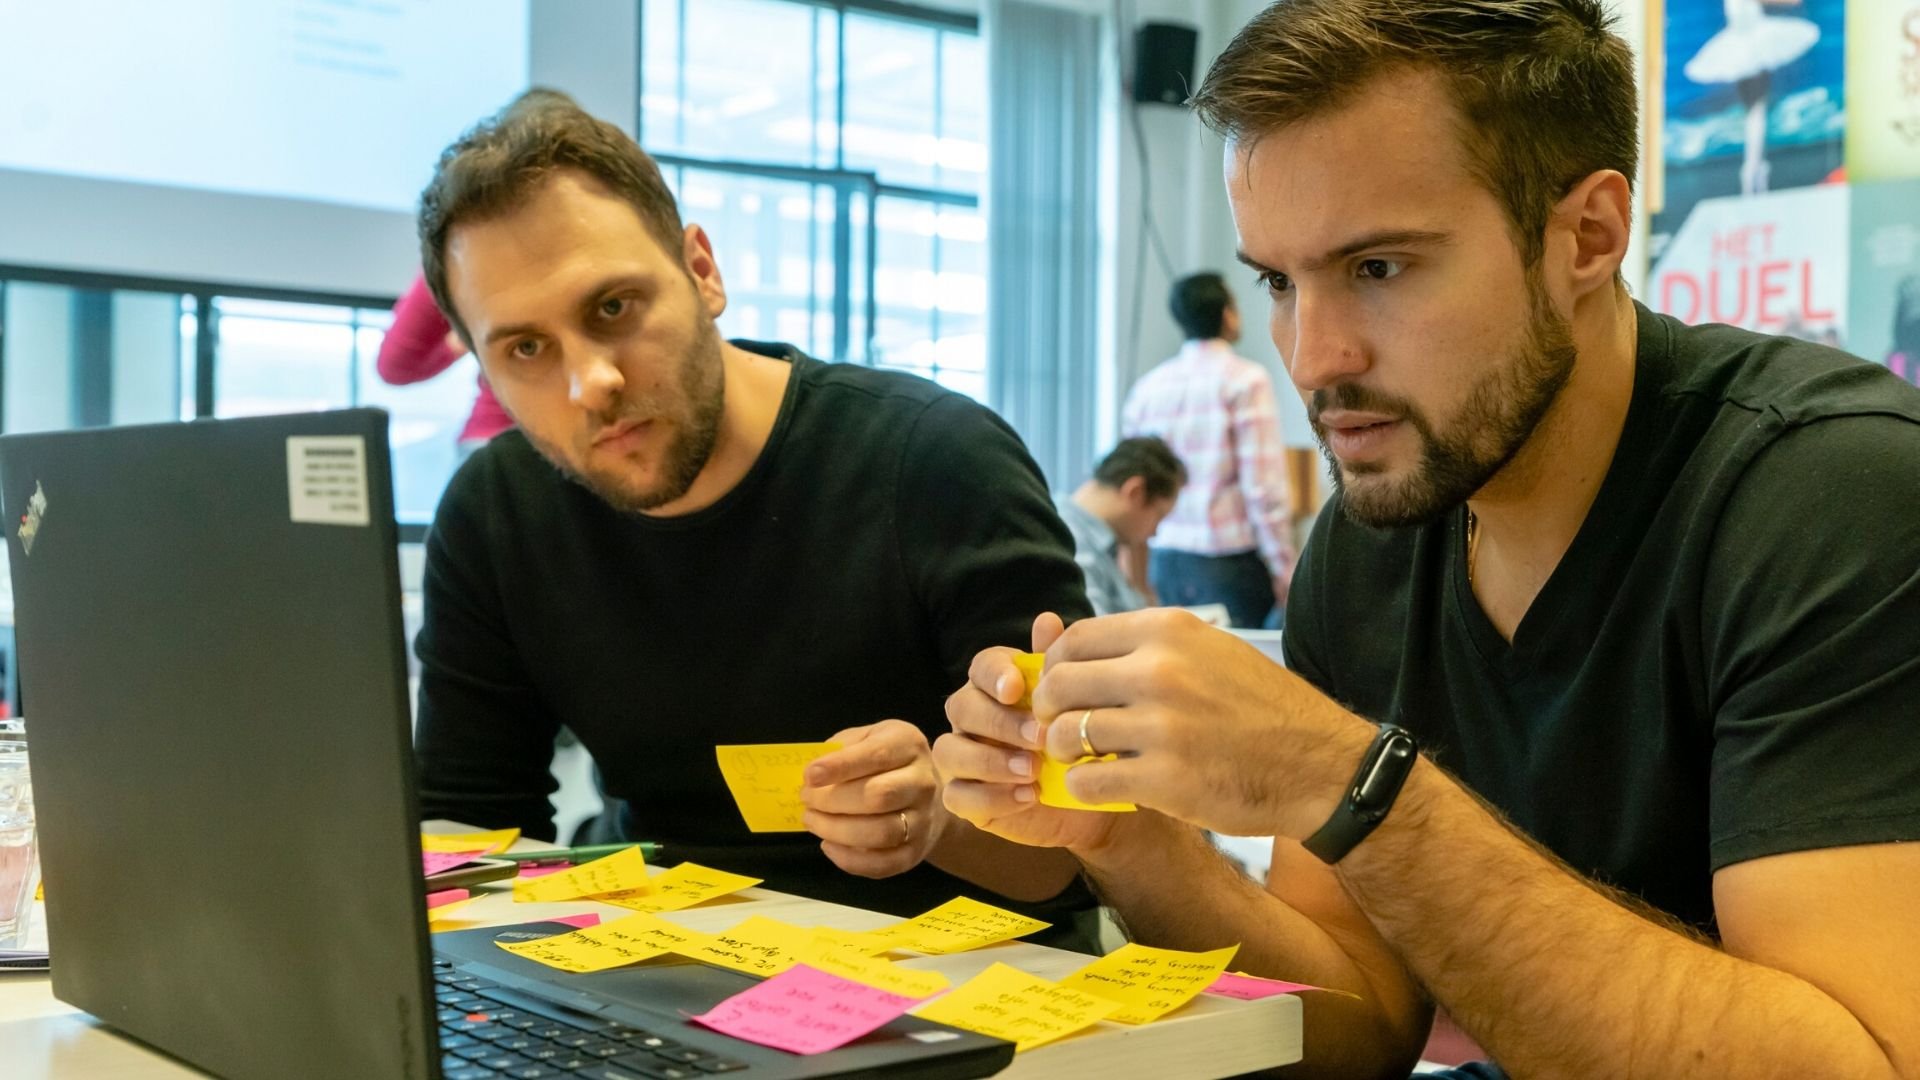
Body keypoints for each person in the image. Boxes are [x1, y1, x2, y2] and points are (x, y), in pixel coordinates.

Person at [934, 1, 1920, 1076]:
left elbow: (1859, 1064)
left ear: (1586, 235)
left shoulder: (1833, 496)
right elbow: (1357, 1024)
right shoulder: (1374, 540)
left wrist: (1347, 779)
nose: (1310, 358)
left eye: (1379, 269)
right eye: (1277, 280)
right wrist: (1130, 841)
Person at [410, 89, 1094, 934]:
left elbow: (1082, 851)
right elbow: (471, 835)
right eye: (525, 349)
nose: (593, 384)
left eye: (613, 309)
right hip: (664, 972)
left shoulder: (934, 461)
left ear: (702, 270)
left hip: (964, 985)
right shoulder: (495, 512)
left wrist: (942, 825)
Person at [1122, 272, 1295, 629]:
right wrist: (1286, 569)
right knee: (1236, 677)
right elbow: (1263, 489)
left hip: (1166, 558)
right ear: (1227, 314)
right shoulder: (1245, 380)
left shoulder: (1148, 388)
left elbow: (1130, 477)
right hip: (1228, 562)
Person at [376, 273, 513, 460]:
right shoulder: (460, 252)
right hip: (501, 445)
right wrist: (464, 338)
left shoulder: (461, 252)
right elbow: (395, 364)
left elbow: (395, 363)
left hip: (495, 439)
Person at [1053, 437, 1186, 616]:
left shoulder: (1101, 542)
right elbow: (1092, 633)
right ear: (1135, 493)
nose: (1154, 532)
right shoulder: (1070, 539)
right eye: (1159, 516)